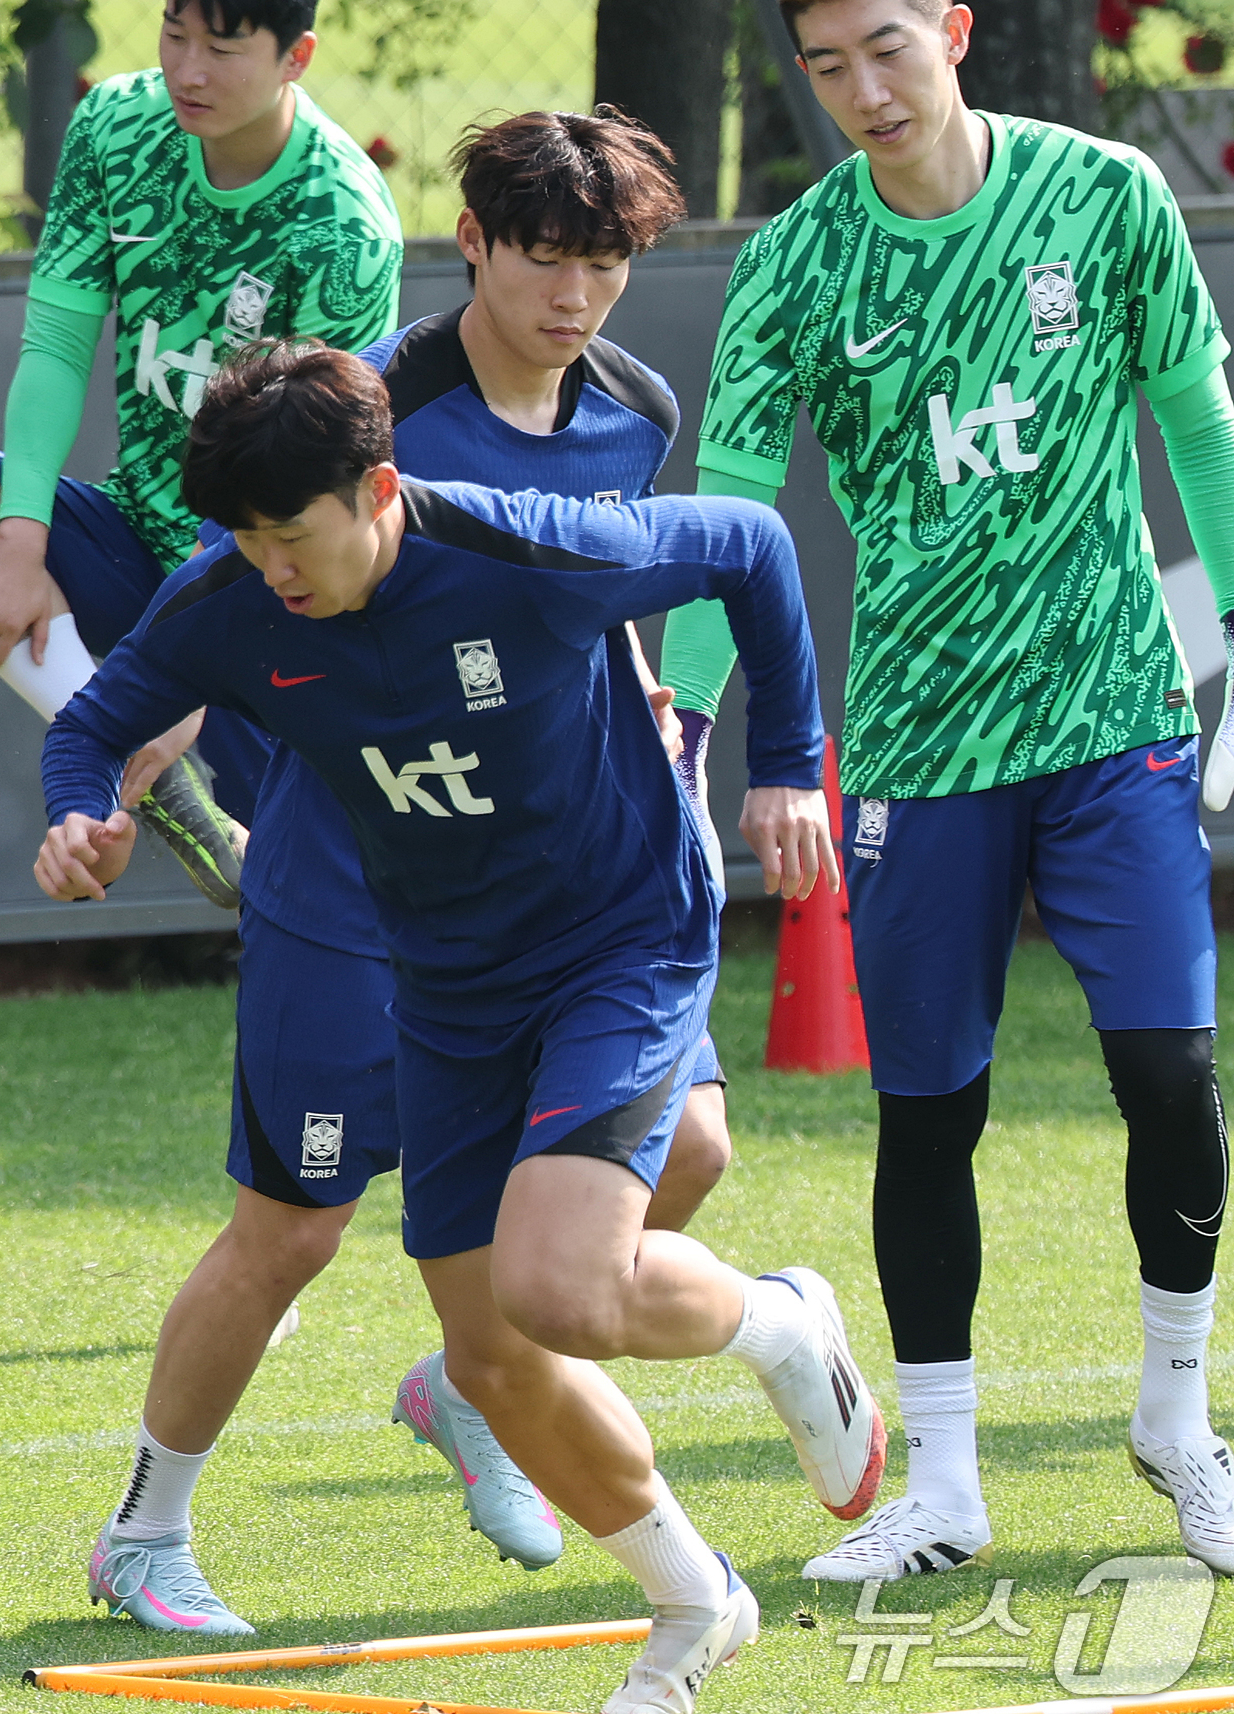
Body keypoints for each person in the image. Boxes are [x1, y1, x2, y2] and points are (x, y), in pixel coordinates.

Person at [35, 338, 885, 1713]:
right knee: (491, 1351)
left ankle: (783, 1322)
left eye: (293, 535)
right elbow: (91, 724)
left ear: (380, 487)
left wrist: (787, 764)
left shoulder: (524, 551)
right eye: (247, 541)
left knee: (559, 1283)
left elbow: (751, 541)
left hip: (616, 938)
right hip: (447, 979)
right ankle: (693, 1600)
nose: (274, 570)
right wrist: (81, 813)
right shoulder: (233, 600)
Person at [660, 0, 1234, 1581]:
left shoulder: (1105, 192)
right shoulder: (797, 260)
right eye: (827, 64)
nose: (862, 89)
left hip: (1117, 719)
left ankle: (1180, 1424)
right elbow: (731, 505)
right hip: (916, 749)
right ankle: (948, 1483)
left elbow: (1195, 413)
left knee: (1174, 1078)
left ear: (958, 31)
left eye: (887, 45)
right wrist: (684, 713)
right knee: (932, 1114)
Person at [0, 0, 402, 907]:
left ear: (297, 57)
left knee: (321, 908)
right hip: (136, 531)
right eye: (174, 34)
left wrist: (190, 649)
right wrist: (20, 538)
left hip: (263, 578)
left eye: (223, 47)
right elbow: (54, 347)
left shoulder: (345, 225)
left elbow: (318, 475)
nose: (188, 69)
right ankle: (164, 789)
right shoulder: (116, 124)